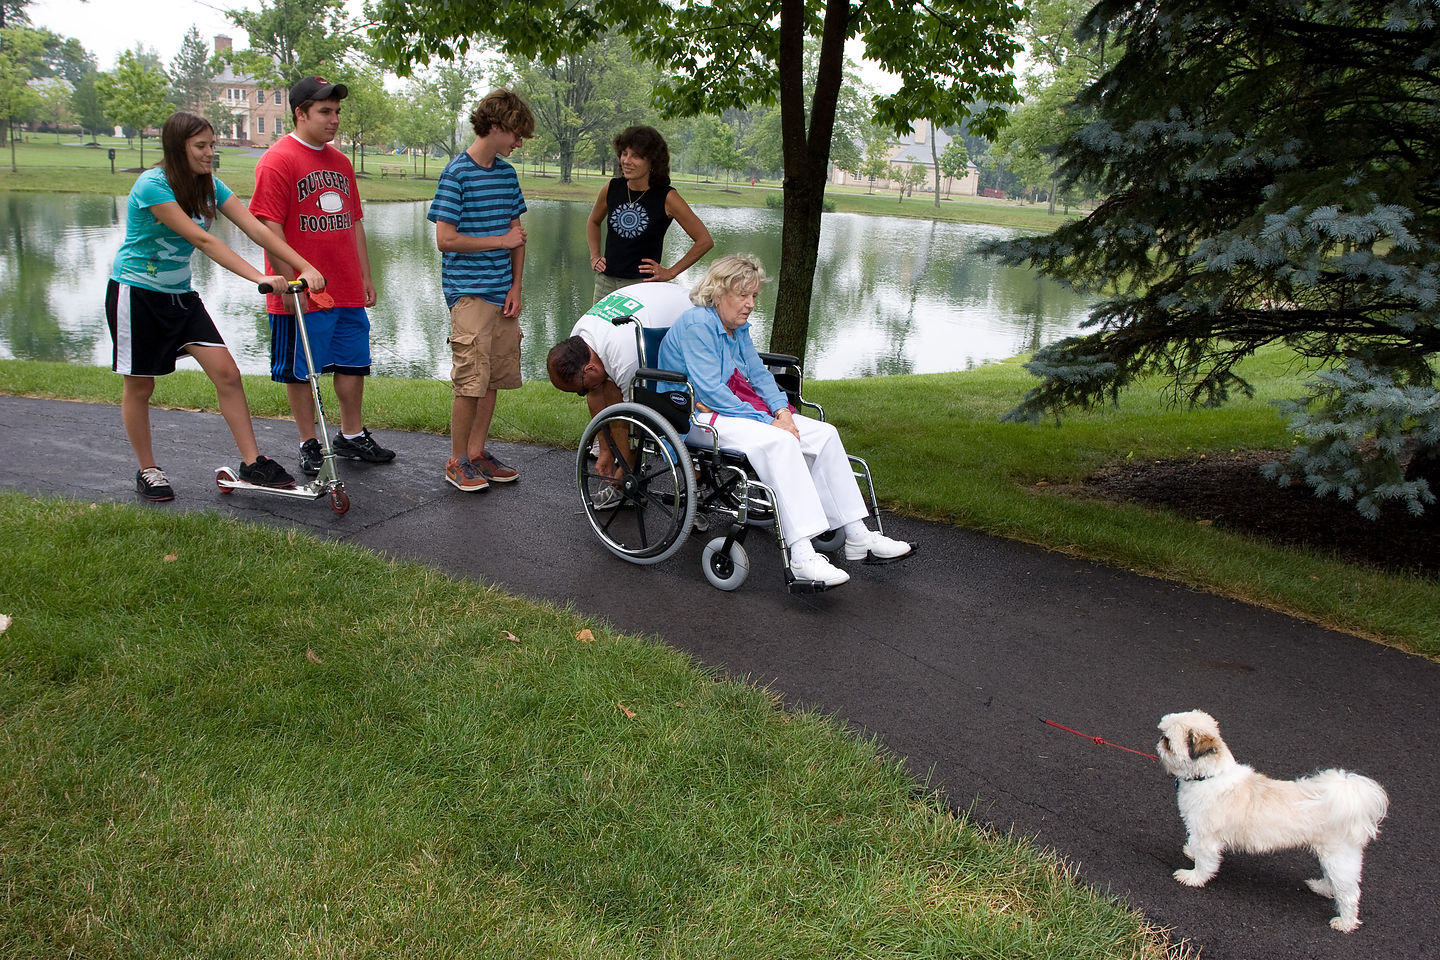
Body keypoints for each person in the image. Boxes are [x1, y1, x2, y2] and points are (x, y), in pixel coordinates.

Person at [106, 111, 326, 502]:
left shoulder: (209, 187)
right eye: (201, 146)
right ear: (178, 148)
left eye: (212, 145)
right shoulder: (153, 185)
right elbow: (205, 242)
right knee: (140, 386)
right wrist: (257, 277)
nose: (210, 153)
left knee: (227, 373)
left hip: (181, 296)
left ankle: (252, 460)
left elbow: (255, 227)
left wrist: (304, 265)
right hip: (137, 294)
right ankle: (148, 469)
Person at [656, 254, 914, 588]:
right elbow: (711, 392)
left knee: (823, 433)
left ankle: (857, 535)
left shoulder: (735, 327)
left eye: (754, 297)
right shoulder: (697, 326)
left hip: (731, 410)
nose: (750, 304)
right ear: (719, 294)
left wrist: (782, 412)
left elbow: (759, 375)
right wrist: (768, 421)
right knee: (780, 440)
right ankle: (803, 555)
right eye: (743, 296)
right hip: (696, 415)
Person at [250, 75, 395, 479]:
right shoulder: (278, 160)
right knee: (301, 368)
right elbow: (268, 227)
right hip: (300, 291)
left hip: (344, 287)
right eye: (325, 112)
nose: (334, 120)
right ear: (301, 113)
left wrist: (365, 276)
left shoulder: (341, 162)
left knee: (353, 363)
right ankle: (307, 440)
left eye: (337, 112)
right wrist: (289, 285)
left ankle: (351, 435)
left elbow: (355, 223)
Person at [427, 88, 535, 493]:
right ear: (495, 126)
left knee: (492, 379)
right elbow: (446, 239)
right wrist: (499, 242)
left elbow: (518, 236)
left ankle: (477, 453)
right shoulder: (457, 174)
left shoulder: (506, 174)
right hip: (469, 294)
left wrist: (516, 286)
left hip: (501, 293)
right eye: (515, 134)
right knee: (470, 380)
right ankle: (456, 460)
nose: (518, 143)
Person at [546, 282, 694, 500]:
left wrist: (624, 471)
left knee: (634, 402)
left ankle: (635, 479)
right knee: (606, 384)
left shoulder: (625, 359)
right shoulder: (581, 336)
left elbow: (633, 420)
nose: (583, 394)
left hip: (690, 314)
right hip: (655, 306)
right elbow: (595, 393)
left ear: (590, 368)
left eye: (581, 390)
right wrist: (605, 449)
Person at [586, 125, 713, 303]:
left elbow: (704, 240)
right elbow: (593, 222)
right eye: (624, 153)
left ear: (652, 161)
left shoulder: (667, 197)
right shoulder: (612, 188)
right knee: (598, 331)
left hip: (641, 285)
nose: (627, 160)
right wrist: (594, 256)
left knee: (631, 332)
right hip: (605, 282)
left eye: (636, 156)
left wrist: (670, 272)